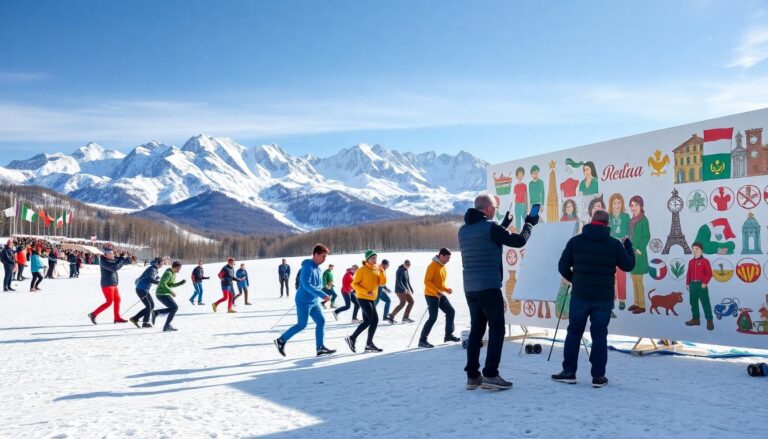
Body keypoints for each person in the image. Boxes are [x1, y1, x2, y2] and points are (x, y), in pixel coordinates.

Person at [458, 194, 537, 390]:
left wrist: (502, 224)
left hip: (470, 287)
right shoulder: (491, 228)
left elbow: (486, 240)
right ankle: (491, 375)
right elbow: (519, 241)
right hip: (489, 287)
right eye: (494, 207)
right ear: (489, 209)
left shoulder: (463, 230)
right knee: (497, 329)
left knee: (477, 330)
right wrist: (529, 223)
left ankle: (472, 376)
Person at [552, 210, 635, 388]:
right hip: (603, 298)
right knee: (599, 335)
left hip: (580, 296)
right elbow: (629, 265)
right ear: (607, 224)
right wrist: (628, 245)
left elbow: (562, 266)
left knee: (574, 333)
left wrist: (575, 280)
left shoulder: (576, 241)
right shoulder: (614, 244)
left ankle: (569, 372)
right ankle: (598, 376)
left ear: (591, 221)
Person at [274, 244, 336, 357]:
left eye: (325, 256)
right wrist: (322, 295)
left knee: (321, 321)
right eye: (323, 256)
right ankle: (281, 340)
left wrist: (325, 289)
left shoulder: (318, 268)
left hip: (314, 301)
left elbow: (317, 285)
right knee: (302, 324)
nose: (324, 259)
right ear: (315, 255)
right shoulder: (307, 266)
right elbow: (306, 284)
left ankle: (320, 347)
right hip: (303, 301)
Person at [345, 250, 386, 353]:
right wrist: (365, 291)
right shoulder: (362, 270)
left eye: (375, 258)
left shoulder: (376, 269)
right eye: (372, 258)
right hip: (363, 298)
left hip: (371, 299)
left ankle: (353, 338)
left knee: (368, 321)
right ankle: (368, 343)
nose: (374, 260)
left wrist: (382, 271)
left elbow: (382, 283)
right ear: (367, 259)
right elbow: (354, 284)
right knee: (374, 320)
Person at [419, 248, 459, 349]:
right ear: (441, 255)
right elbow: (427, 281)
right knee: (433, 317)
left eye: (449, 257)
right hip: (431, 295)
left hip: (439, 294)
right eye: (447, 257)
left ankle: (448, 335)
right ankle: (422, 340)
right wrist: (436, 291)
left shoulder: (442, 267)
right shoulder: (432, 266)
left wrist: (446, 289)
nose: (449, 259)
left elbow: (440, 283)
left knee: (450, 311)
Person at [88, 246, 131, 324]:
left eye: (112, 253)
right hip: (107, 284)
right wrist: (121, 259)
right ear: (105, 254)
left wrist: (125, 257)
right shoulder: (103, 261)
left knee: (118, 300)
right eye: (110, 254)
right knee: (109, 302)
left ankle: (117, 318)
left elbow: (124, 262)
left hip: (113, 284)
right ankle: (93, 314)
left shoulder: (111, 259)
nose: (112, 255)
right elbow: (114, 268)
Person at [608, 193, 630, 315]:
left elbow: (627, 234)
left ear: (622, 203)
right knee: (611, 277)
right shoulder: (608, 217)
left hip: (621, 249)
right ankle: (611, 301)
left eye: (619, 202)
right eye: (614, 203)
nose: (617, 205)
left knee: (621, 275)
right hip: (610, 249)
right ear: (611, 204)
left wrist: (623, 242)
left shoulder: (626, 216)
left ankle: (622, 299)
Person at [685, 242, 714, 330]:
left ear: (701, 250)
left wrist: (705, 282)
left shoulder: (705, 261)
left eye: (696, 249)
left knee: (705, 303)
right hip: (692, 284)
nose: (694, 251)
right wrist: (687, 283)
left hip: (701, 285)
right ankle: (695, 319)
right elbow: (688, 274)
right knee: (693, 302)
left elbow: (709, 274)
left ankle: (709, 320)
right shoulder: (690, 262)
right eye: (693, 249)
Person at [628, 195, 650, 314]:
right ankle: (636, 302)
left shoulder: (643, 219)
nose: (634, 207)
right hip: (631, 253)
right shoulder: (631, 220)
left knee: (639, 280)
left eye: (636, 205)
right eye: (632, 205)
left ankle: (641, 305)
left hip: (639, 254)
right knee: (633, 279)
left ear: (641, 206)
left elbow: (646, 236)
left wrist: (639, 249)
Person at [152, 261, 186, 332]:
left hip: (165, 294)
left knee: (173, 308)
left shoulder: (173, 274)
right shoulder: (168, 273)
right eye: (178, 268)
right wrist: (171, 292)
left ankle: (157, 313)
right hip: (161, 294)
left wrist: (180, 283)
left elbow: (170, 284)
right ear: (174, 267)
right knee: (174, 307)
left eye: (180, 268)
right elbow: (162, 283)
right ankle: (166, 325)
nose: (179, 270)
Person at [131, 257, 162, 328]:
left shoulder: (153, 269)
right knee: (149, 306)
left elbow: (150, 277)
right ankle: (145, 323)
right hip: (141, 289)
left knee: (151, 305)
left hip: (144, 289)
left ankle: (135, 318)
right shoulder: (152, 269)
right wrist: (159, 283)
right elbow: (150, 279)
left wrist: (156, 278)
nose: (162, 264)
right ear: (157, 263)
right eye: (162, 263)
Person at [375, 259, 395, 324]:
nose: (388, 266)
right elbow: (378, 280)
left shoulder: (382, 269)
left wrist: (386, 288)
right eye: (388, 265)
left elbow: (382, 281)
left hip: (380, 289)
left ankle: (385, 316)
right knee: (374, 304)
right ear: (384, 264)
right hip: (377, 290)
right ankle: (367, 316)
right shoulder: (379, 269)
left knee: (388, 300)